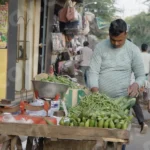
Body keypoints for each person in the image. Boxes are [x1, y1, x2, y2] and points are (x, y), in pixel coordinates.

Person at [87, 19, 146, 149]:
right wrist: (95, 92)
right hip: (100, 102)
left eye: (119, 40)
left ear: (126, 34)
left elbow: (141, 75)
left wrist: (136, 85)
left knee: (119, 138)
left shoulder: (133, 50)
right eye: (113, 40)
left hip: (122, 105)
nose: (116, 43)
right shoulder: (100, 47)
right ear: (109, 34)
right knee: (99, 138)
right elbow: (93, 72)